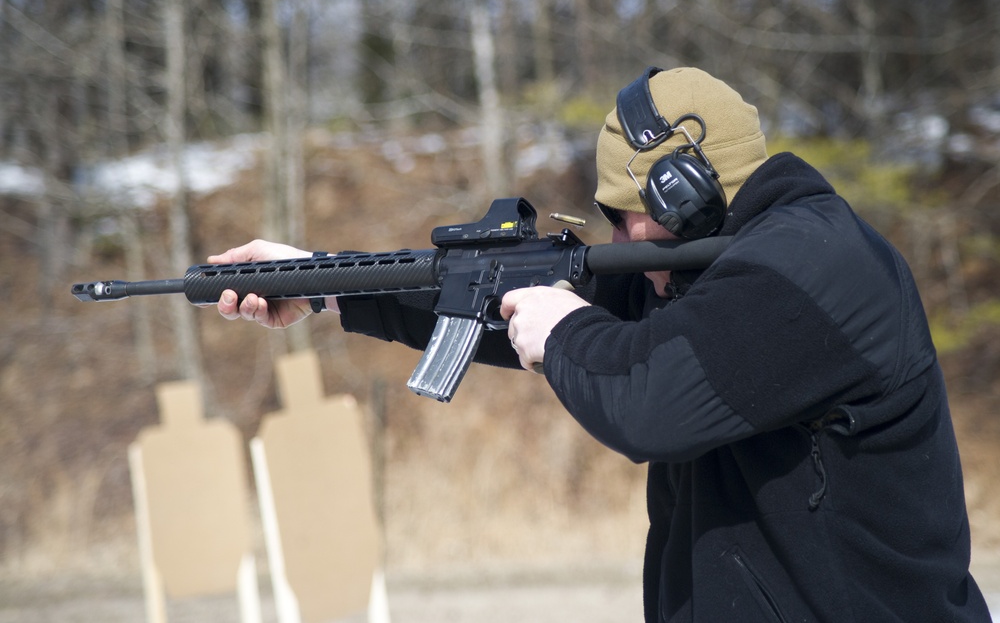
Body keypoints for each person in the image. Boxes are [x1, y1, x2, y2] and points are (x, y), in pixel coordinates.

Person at [211, 67, 991, 622]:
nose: (617, 241)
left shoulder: (815, 266)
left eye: (625, 216)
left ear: (688, 196)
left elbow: (648, 403)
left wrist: (563, 329)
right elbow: (489, 301)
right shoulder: (696, 273)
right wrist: (320, 278)